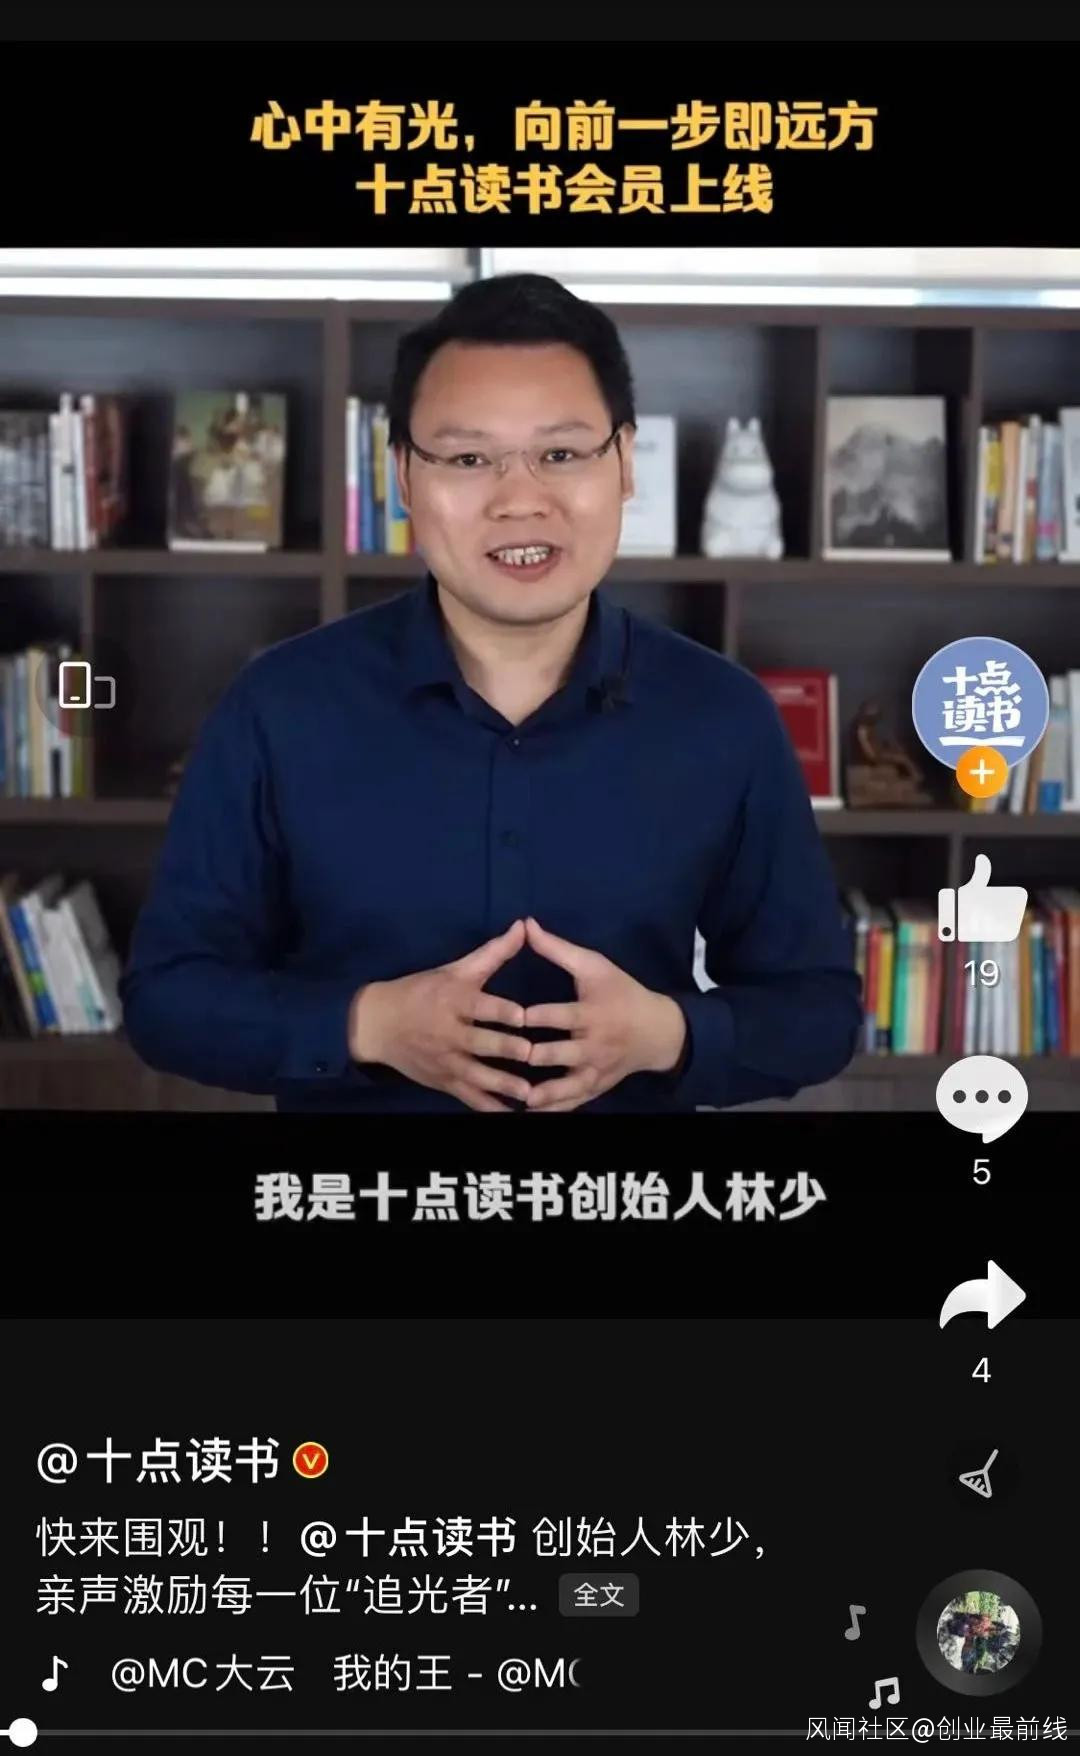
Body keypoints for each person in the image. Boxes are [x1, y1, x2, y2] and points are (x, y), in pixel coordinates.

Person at [120, 272, 862, 1114]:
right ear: (403, 476)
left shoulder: (723, 717)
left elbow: (817, 1012)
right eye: (469, 459)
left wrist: (667, 1034)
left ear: (624, 464)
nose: (519, 500)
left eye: (561, 454)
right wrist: (366, 1025)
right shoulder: (279, 707)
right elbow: (167, 1000)